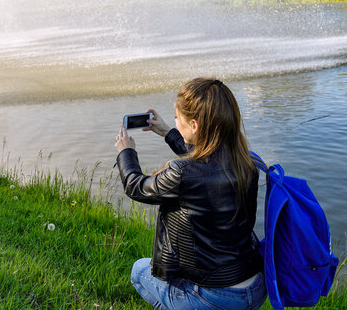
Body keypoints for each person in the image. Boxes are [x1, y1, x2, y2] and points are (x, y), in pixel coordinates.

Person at [113, 78, 266, 310]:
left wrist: (126, 152)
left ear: (194, 125)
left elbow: (136, 187)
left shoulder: (182, 173)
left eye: (178, 118)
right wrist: (167, 131)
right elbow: (205, 159)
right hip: (255, 286)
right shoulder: (246, 160)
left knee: (138, 271)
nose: (175, 121)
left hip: (216, 295)